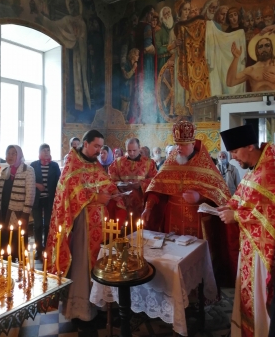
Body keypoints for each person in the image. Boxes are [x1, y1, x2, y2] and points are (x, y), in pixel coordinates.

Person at [141, 121, 237, 285]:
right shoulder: (171, 161)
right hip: (173, 219)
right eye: (177, 144)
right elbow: (157, 188)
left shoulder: (205, 163)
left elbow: (219, 193)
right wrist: (149, 207)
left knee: (195, 260)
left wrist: (199, 197)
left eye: (183, 145)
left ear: (193, 143)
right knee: (172, 257)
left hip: (198, 219)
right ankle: (173, 288)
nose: (178, 148)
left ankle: (198, 292)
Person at [46, 130, 126, 321]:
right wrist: (94, 197)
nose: (99, 150)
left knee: (101, 261)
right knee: (83, 262)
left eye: (101, 147)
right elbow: (68, 192)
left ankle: (98, 305)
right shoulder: (72, 163)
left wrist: (117, 193)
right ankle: (82, 309)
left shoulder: (95, 164)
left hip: (101, 222)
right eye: (96, 146)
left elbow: (104, 182)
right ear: (85, 144)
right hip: (83, 223)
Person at [219, 124, 275, 337]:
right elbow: (241, 196)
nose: (232, 157)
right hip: (249, 247)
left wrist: (236, 216)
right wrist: (228, 207)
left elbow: (270, 213)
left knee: (260, 299)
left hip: (263, 253)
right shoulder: (255, 168)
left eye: (235, 151)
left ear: (250, 146)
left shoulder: (270, 169)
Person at [0, 145, 35, 259]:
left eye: (14, 153)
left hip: (18, 212)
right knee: (5, 238)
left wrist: (25, 214)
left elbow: (31, 193)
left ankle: (19, 267)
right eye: (8, 153)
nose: (10, 156)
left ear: (20, 155)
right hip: (3, 210)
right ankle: (6, 265)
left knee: (17, 239)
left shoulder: (28, 170)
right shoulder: (5, 171)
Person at [109, 137, 157, 227]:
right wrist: (119, 184)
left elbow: (155, 180)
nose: (131, 153)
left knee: (139, 230)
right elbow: (111, 179)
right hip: (123, 202)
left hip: (141, 203)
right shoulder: (118, 162)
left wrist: (140, 184)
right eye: (129, 150)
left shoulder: (149, 163)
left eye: (134, 150)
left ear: (139, 148)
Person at [30, 144, 61, 260]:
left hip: (50, 199)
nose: (46, 152)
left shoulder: (54, 165)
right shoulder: (33, 165)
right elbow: (29, 180)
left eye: (48, 150)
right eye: (44, 150)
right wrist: (37, 185)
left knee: (48, 225)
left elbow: (59, 180)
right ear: (39, 152)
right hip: (37, 199)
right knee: (37, 225)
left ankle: (47, 248)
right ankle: (38, 249)